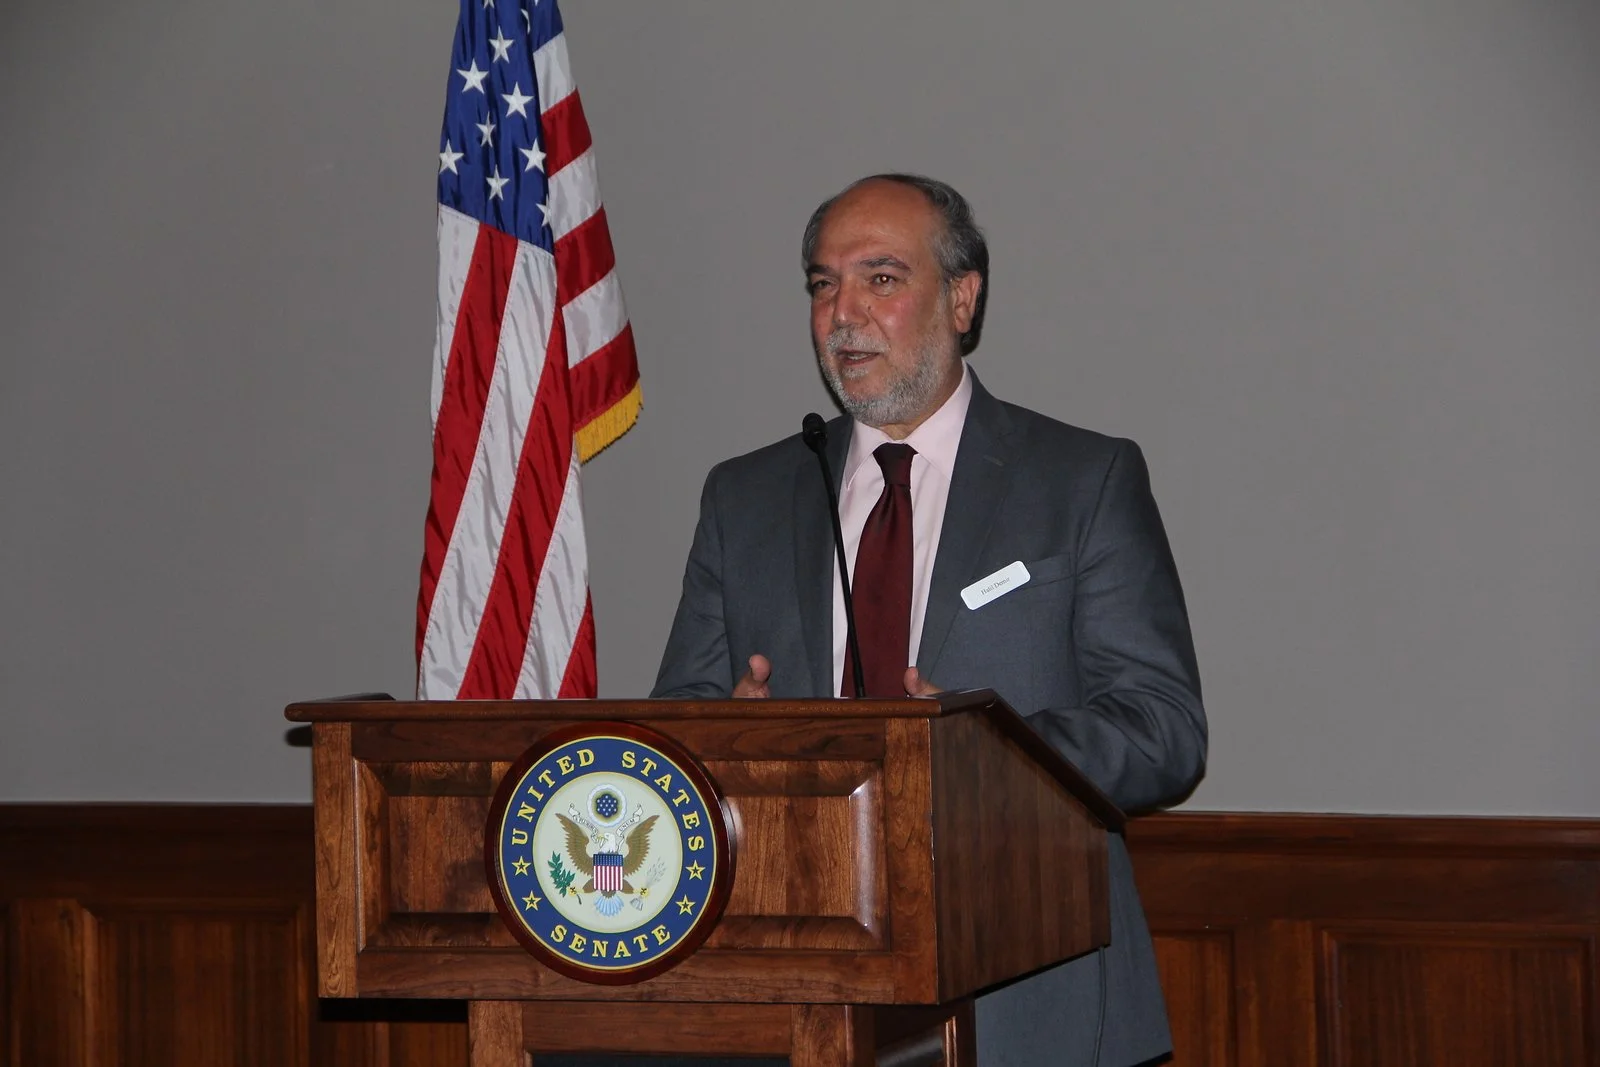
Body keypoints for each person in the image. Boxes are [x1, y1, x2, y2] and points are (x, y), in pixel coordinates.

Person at [653, 173, 1206, 1067]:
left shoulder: (1081, 481)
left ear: (962, 298)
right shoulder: (747, 497)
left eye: (880, 277)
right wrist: (727, 729)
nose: (842, 313)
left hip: (1031, 997)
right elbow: (675, 725)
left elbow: (1165, 731)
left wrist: (992, 754)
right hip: (799, 1000)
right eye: (822, 284)